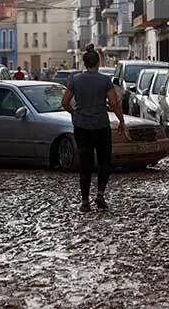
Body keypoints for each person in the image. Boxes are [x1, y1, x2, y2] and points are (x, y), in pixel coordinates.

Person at [62, 44, 126, 212]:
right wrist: (121, 120)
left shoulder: (75, 80)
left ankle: (84, 202)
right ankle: (100, 194)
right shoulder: (105, 81)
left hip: (81, 126)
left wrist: (75, 114)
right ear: (98, 63)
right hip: (101, 126)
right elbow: (114, 103)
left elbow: (65, 102)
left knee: (85, 163)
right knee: (104, 161)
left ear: (84, 63)